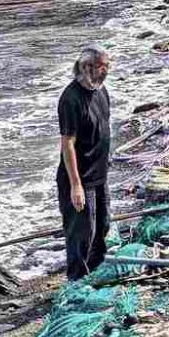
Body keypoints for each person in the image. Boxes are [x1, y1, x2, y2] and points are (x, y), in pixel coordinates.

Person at [56, 46, 112, 280]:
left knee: (102, 228)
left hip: (100, 175)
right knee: (82, 235)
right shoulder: (70, 98)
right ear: (87, 67)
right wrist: (76, 185)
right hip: (80, 179)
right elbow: (68, 144)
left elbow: (103, 125)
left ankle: (96, 275)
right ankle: (77, 281)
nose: (106, 71)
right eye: (103, 67)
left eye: (107, 66)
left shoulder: (101, 91)